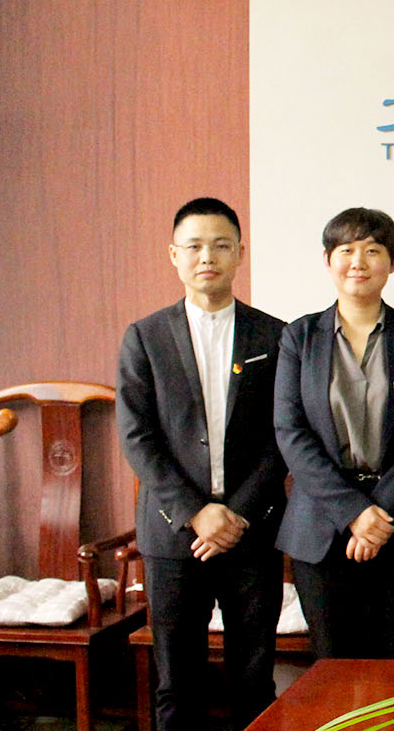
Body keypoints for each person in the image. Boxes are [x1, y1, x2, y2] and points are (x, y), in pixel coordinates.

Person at [116, 196, 287, 731]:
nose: (206, 256)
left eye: (220, 245)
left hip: (251, 531)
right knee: (177, 682)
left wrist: (236, 513)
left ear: (240, 253)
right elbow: (137, 436)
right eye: (193, 246)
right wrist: (196, 511)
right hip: (173, 536)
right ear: (174, 255)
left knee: (254, 679)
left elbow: (282, 435)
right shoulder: (144, 337)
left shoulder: (275, 335)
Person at [273, 207, 394, 659]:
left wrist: (379, 512)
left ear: (393, 262)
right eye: (346, 250)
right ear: (327, 260)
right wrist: (354, 511)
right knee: (334, 666)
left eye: (373, 250)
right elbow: (291, 431)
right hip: (321, 527)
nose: (358, 261)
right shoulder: (299, 337)